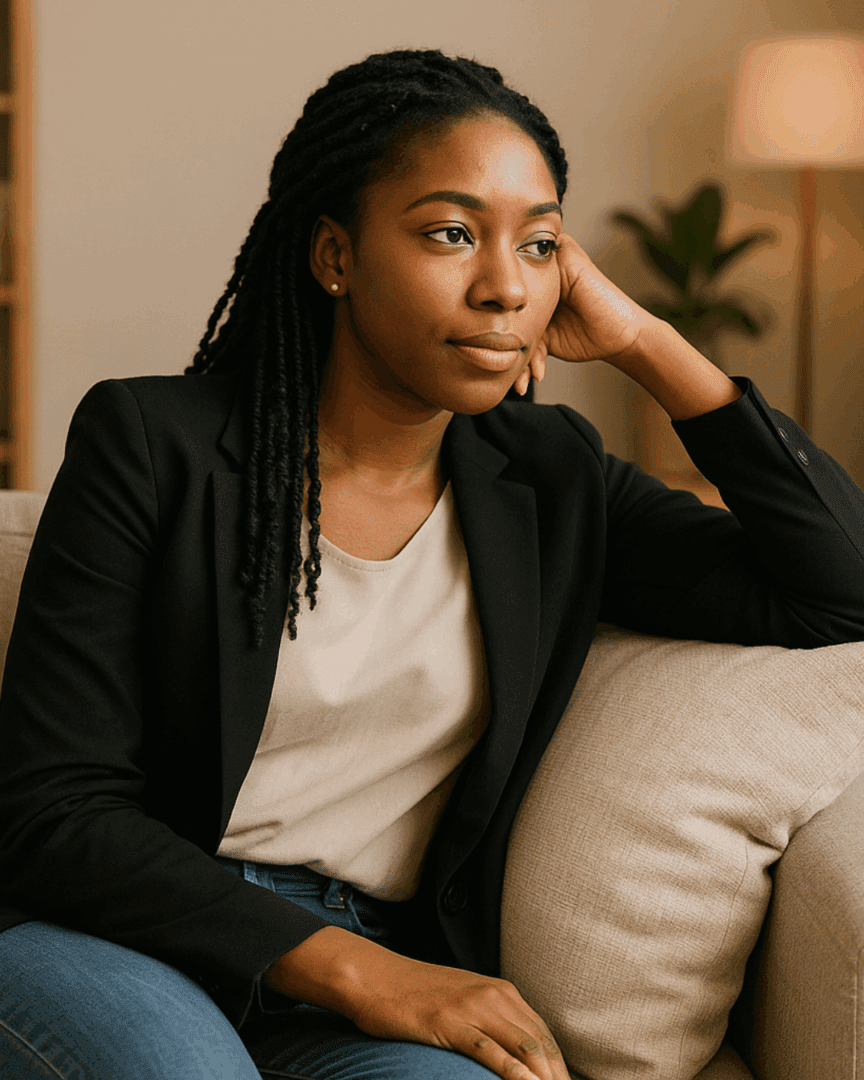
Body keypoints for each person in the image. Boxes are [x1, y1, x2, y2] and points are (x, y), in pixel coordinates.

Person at [1, 47, 863, 1080]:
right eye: (451, 234)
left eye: (539, 246)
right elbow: (51, 809)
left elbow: (837, 588)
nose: (504, 286)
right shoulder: (153, 443)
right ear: (336, 254)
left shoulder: (550, 479)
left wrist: (645, 341)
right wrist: (355, 971)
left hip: (374, 972)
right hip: (129, 938)